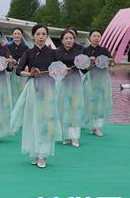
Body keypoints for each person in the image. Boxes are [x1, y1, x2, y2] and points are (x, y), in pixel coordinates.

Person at [10, 24, 61, 169]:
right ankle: (34, 152)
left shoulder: (53, 53)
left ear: (46, 36)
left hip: (49, 89)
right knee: (33, 120)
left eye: (44, 34)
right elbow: (18, 71)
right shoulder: (28, 52)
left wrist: (62, 71)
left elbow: (59, 69)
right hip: (33, 88)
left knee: (46, 120)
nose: (41, 36)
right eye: (38, 34)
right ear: (33, 36)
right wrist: (31, 74)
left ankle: (42, 154)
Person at [55, 29, 86, 147]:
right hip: (62, 81)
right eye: (66, 38)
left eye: (71, 38)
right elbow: (53, 69)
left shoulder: (79, 51)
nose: (68, 40)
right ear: (62, 40)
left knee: (75, 107)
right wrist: (62, 70)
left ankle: (74, 136)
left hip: (75, 81)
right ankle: (65, 136)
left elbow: (83, 69)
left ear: (74, 39)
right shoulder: (57, 52)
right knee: (62, 107)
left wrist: (89, 64)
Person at [82, 29, 114, 137]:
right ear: (89, 37)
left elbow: (111, 64)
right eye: (94, 36)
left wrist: (110, 62)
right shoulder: (85, 50)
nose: (96, 38)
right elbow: (83, 68)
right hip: (90, 78)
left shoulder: (105, 50)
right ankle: (92, 125)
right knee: (90, 101)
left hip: (102, 79)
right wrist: (90, 62)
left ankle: (98, 126)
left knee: (100, 102)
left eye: (98, 36)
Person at [7, 28, 29, 105]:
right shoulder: (8, 46)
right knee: (12, 91)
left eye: (19, 34)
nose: (17, 35)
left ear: (22, 35)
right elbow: (8, 59)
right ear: (12, 35)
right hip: (12, 72)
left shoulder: (25, 47)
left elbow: (27, 60)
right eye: (15, 34)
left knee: (22, 91)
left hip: (22, 72)